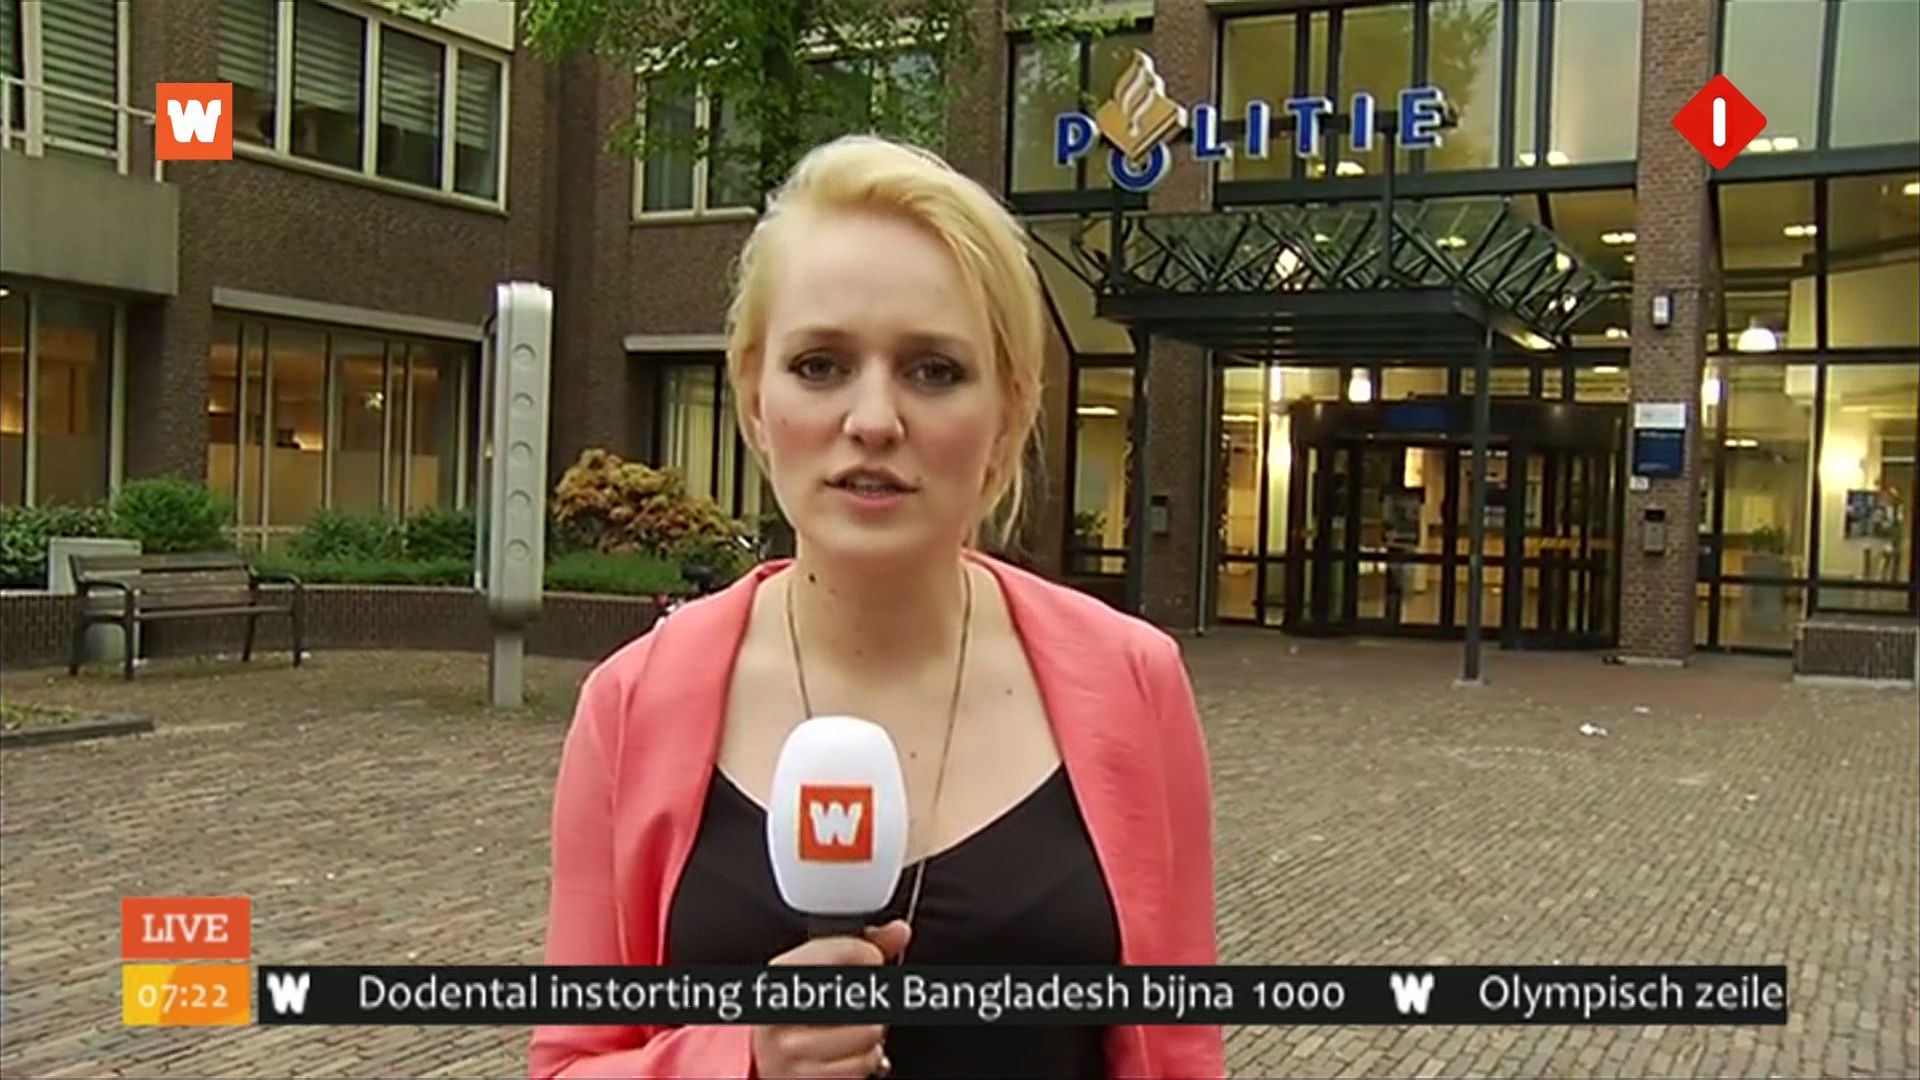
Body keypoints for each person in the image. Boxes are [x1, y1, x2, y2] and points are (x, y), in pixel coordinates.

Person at [529, 134, 1222, 1080]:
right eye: (821, 365)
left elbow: (1178, 1053)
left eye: (934, 370)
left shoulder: (1133, 684)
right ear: (754, 400)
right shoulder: (632, 704)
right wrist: (743, 1057)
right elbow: (569, 1063)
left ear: (1009, 414)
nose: (872, 420)